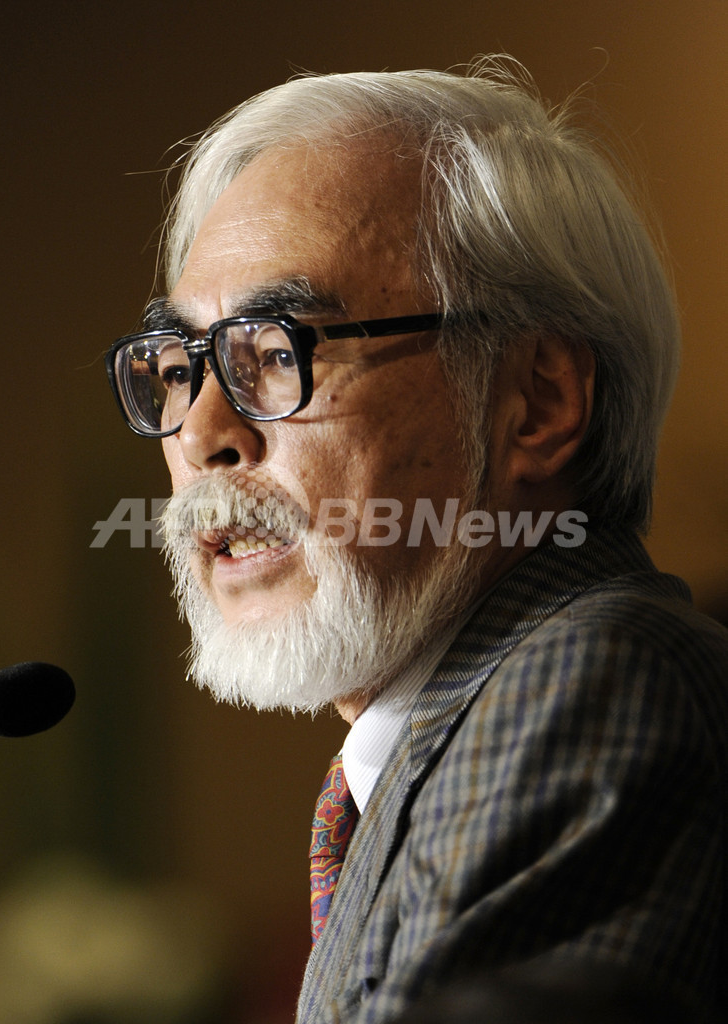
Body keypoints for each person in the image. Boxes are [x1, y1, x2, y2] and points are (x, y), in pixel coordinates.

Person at [106, 58, 728, 1024]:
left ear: (537, 402)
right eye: (181, 365)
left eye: (275, 352)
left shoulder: (592, 678)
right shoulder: (441, 727)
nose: (200, 435)